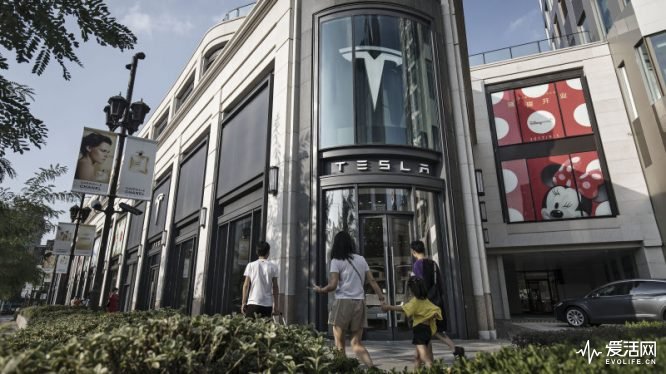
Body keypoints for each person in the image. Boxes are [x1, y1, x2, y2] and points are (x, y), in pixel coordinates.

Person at [313, 231, 385, 368]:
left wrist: (321, 290)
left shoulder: (336, 261)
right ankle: (372, 368)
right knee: (356, 343)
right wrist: (381, 298)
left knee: (339, 343)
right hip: (360, 302)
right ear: (350, 244)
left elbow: (333, 285)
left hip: (343, 303)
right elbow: (372, 280)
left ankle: (342, 369)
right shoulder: (361, 259)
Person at [411, 240, 465, 358]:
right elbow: (439, 284)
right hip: (436, 300)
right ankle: (451, 350)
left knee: (425, 332)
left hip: (426, 303)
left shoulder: (418, 265)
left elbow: (420, 286)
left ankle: (451, 350)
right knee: (433, 331)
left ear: (414, 252)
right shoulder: (433, 263)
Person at [381, 276, 442, 369]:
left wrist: (388, 307)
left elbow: (403, 308)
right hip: (427, 331)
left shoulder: (415, 302)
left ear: (412, 290)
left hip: (419, 331)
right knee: (418, 357)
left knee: (425, 357)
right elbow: (436, 310)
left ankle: (433, 370)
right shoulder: (425, 300)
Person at [241, 241, 279, 318]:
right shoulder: (273, 267)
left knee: (250, 328)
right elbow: (275, 287)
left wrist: (243, 303)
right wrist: (276, 306)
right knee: (265, 329)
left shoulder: (251, 265)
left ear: (257, 252)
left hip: (253, 303)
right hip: (267, 305)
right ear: (268, 252)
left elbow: (246, 285)